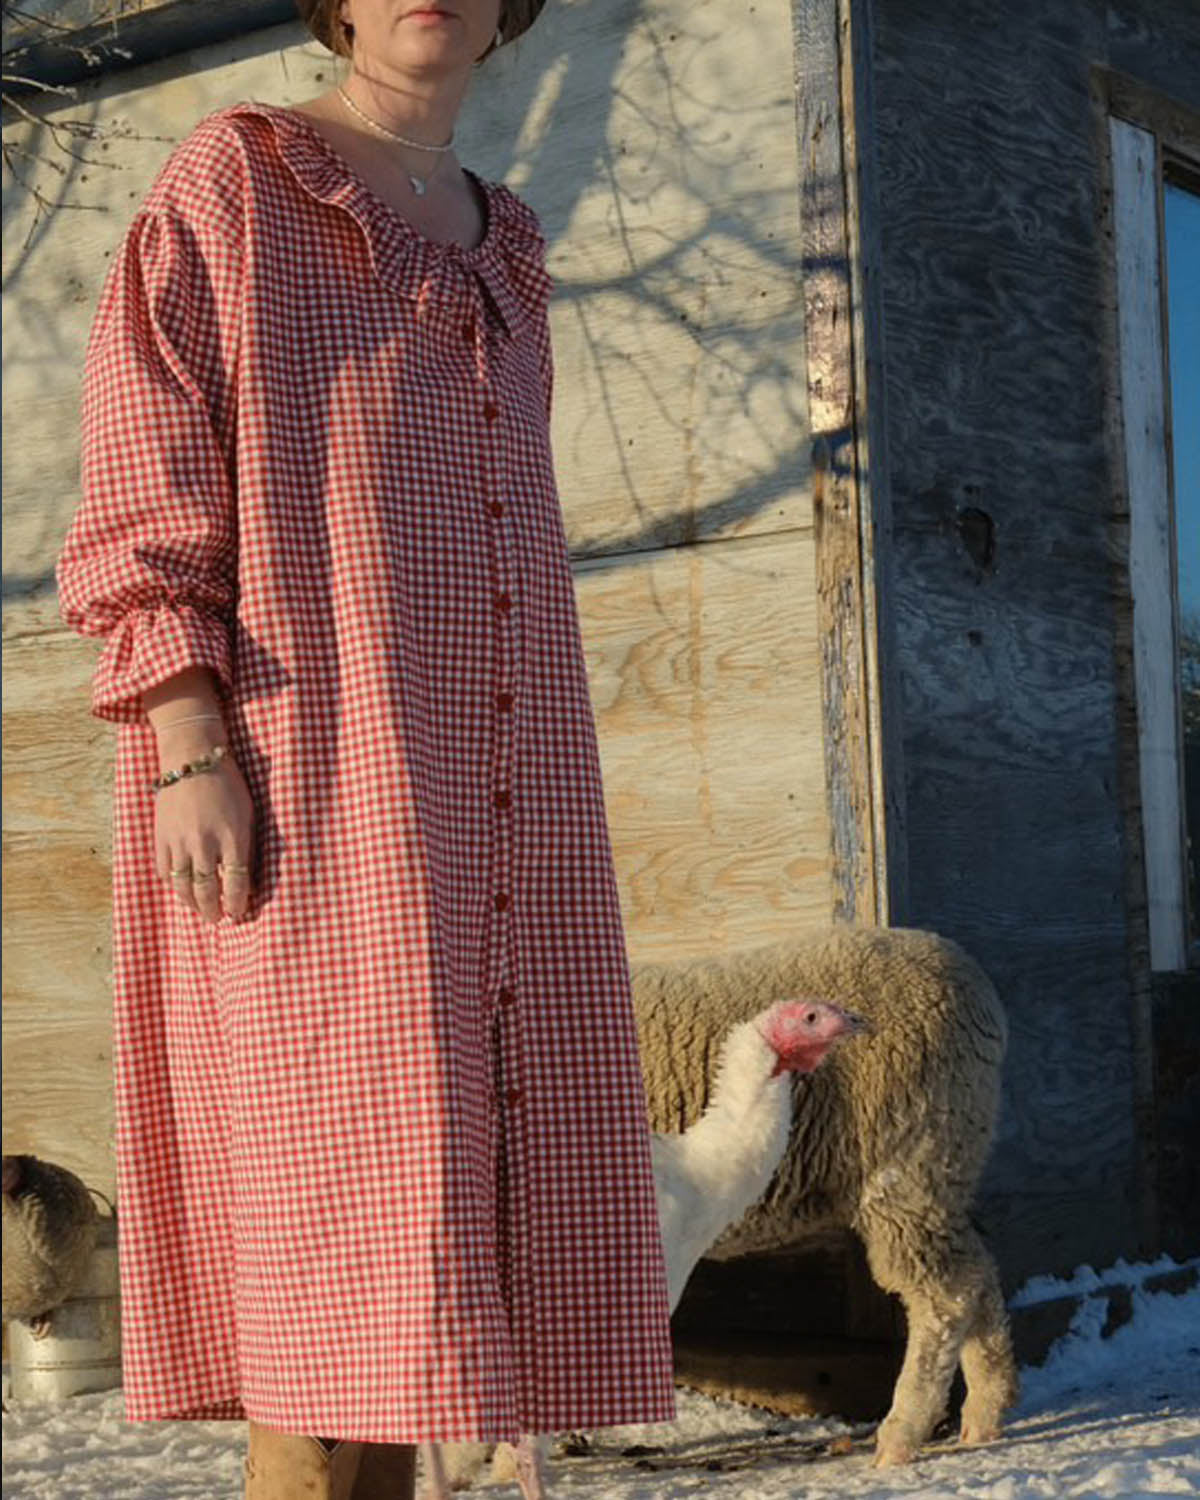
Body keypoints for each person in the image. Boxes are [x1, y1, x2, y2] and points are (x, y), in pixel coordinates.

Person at [55, 3, 678, 1495]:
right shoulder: (240, 178)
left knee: (423, 1305)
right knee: (331, 1246)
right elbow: (145, 459)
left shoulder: (509, 242)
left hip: (504, 797)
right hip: (306, 774)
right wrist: (186, 739)